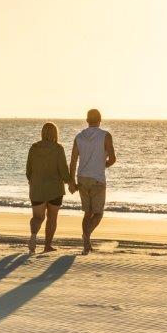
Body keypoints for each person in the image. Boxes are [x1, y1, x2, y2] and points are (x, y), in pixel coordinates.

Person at [68, 109, 117, 255]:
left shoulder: (79, 136)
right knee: (98, 213)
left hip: (82, 177)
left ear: (87, 120)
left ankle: (86, 244)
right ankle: (86, 235)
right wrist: (103, 165)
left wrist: (71, 181)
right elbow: (113, 158)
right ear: (100, 119)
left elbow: (72, 162)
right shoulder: (105, 136)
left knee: (87, 213)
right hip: (97, 179)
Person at [26, 122, 72, 254]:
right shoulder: (58, 148)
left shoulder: (34, 148)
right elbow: (63, 170)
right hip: (55, 189)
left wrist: (33, 181)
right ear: (55, 134)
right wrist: (70, 183)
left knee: (37, 217)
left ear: (42, 133)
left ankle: (33, 238)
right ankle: (47, 246)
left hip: (37, 189)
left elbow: (28, 170)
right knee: (52, 217)